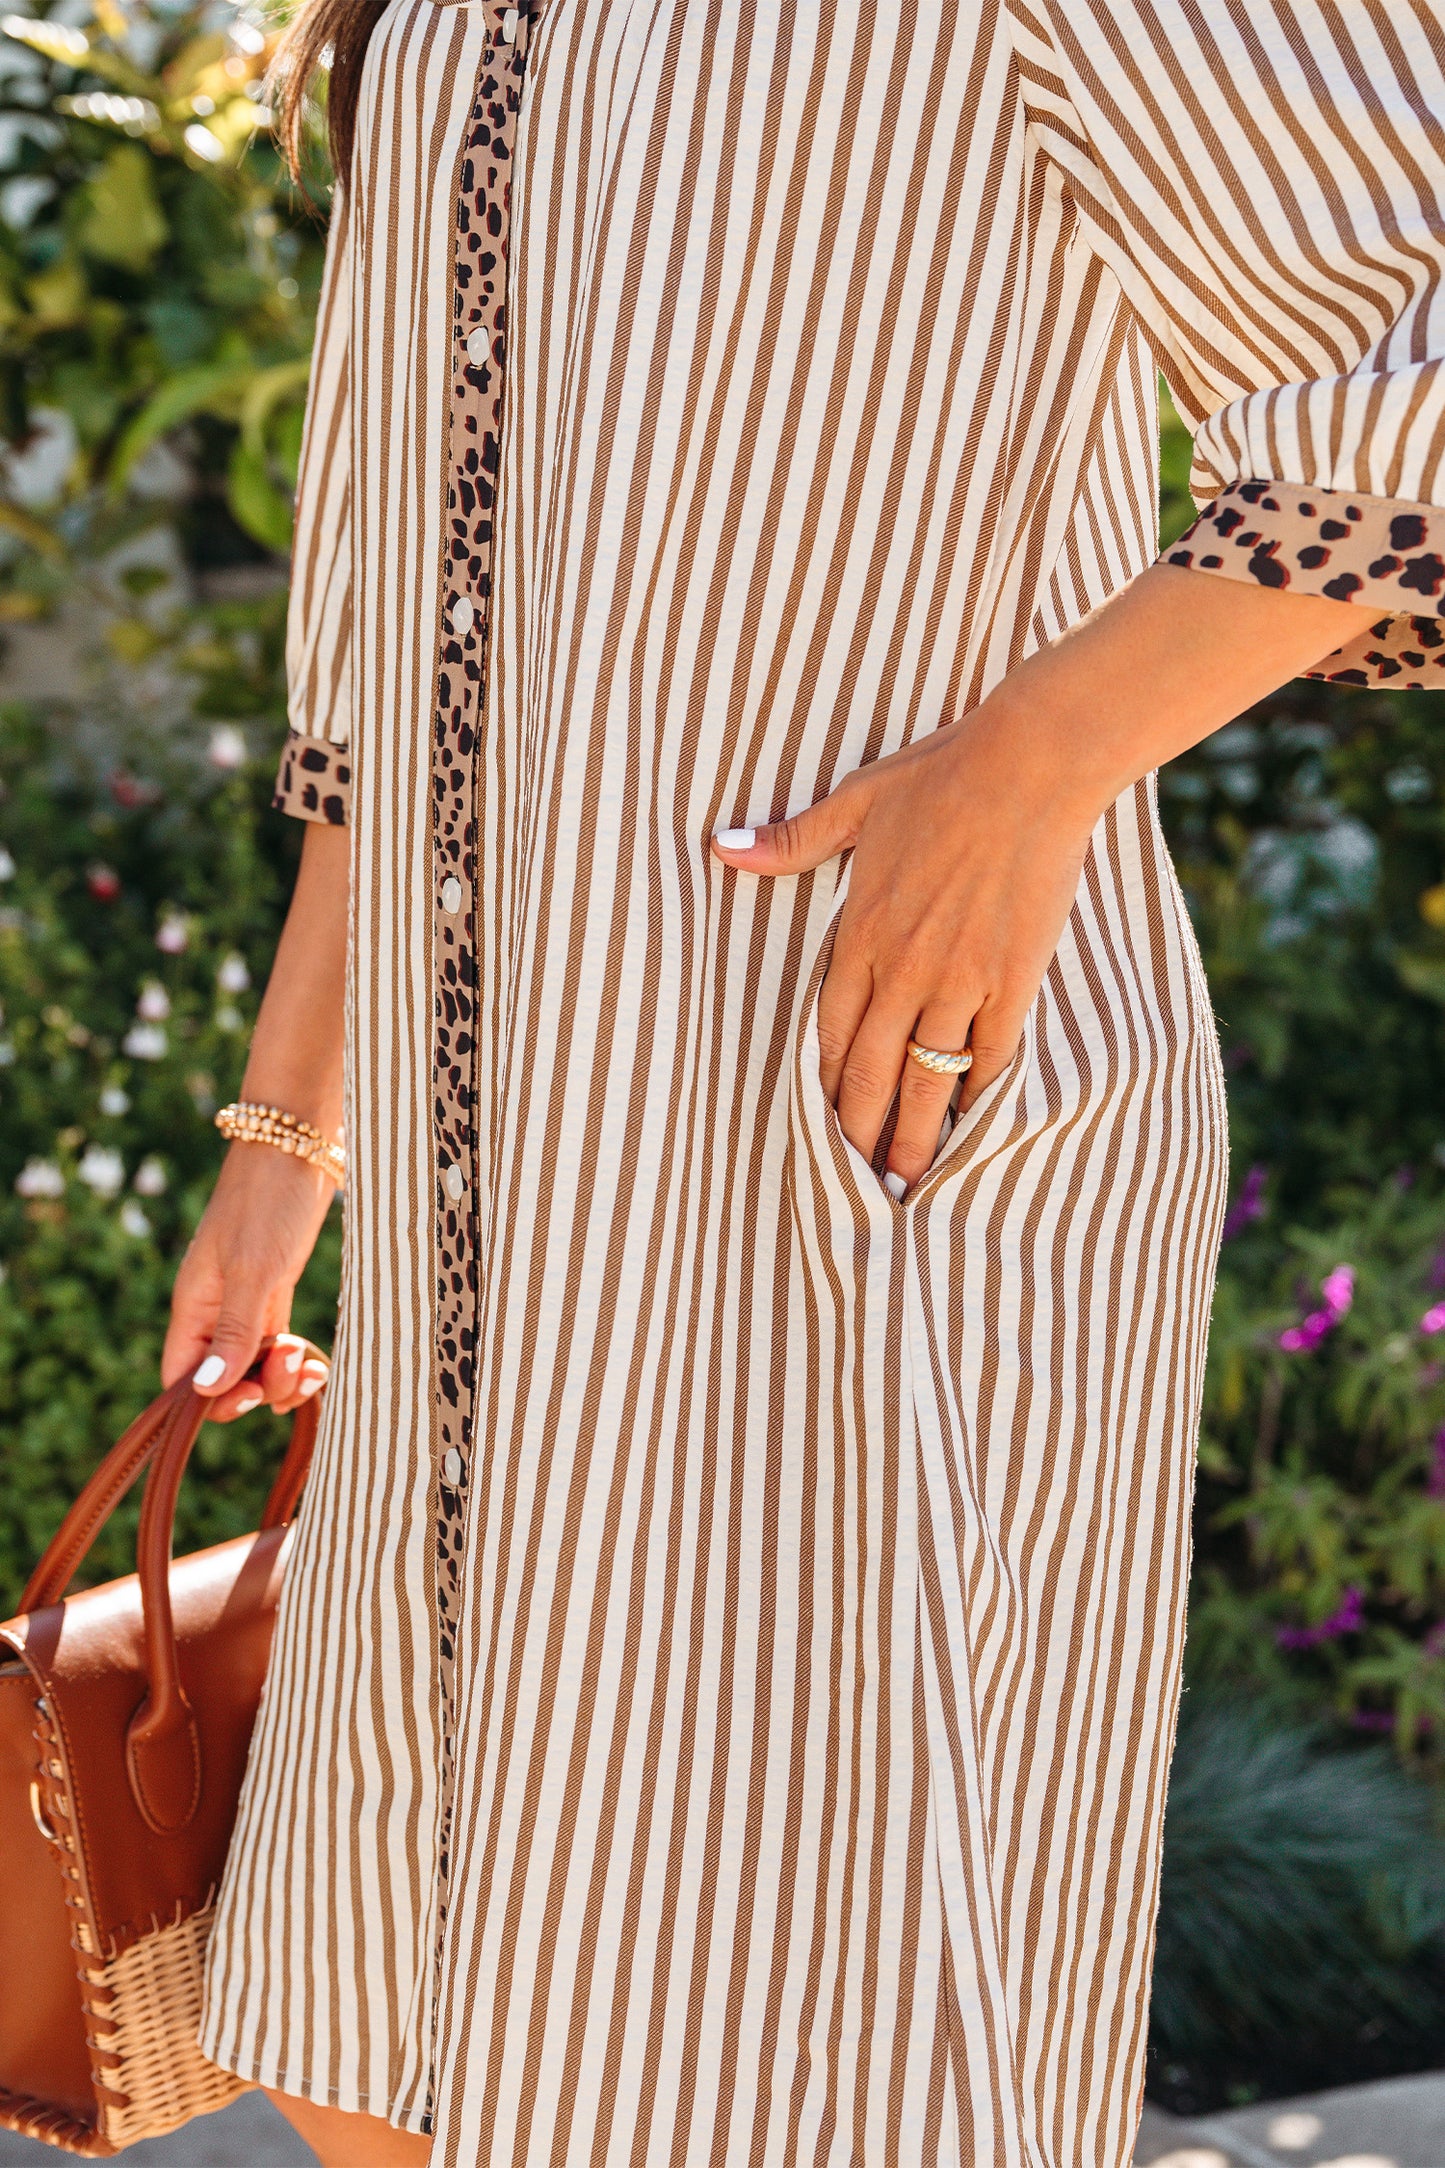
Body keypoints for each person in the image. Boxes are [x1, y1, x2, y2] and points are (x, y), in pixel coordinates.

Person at [162, 0, 1445, 2158]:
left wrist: (1030, 766)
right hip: (501, 1202)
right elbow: (397, 624)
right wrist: (290, 1149)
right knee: (363, 2039)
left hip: (861, 1127)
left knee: (761, 2068)